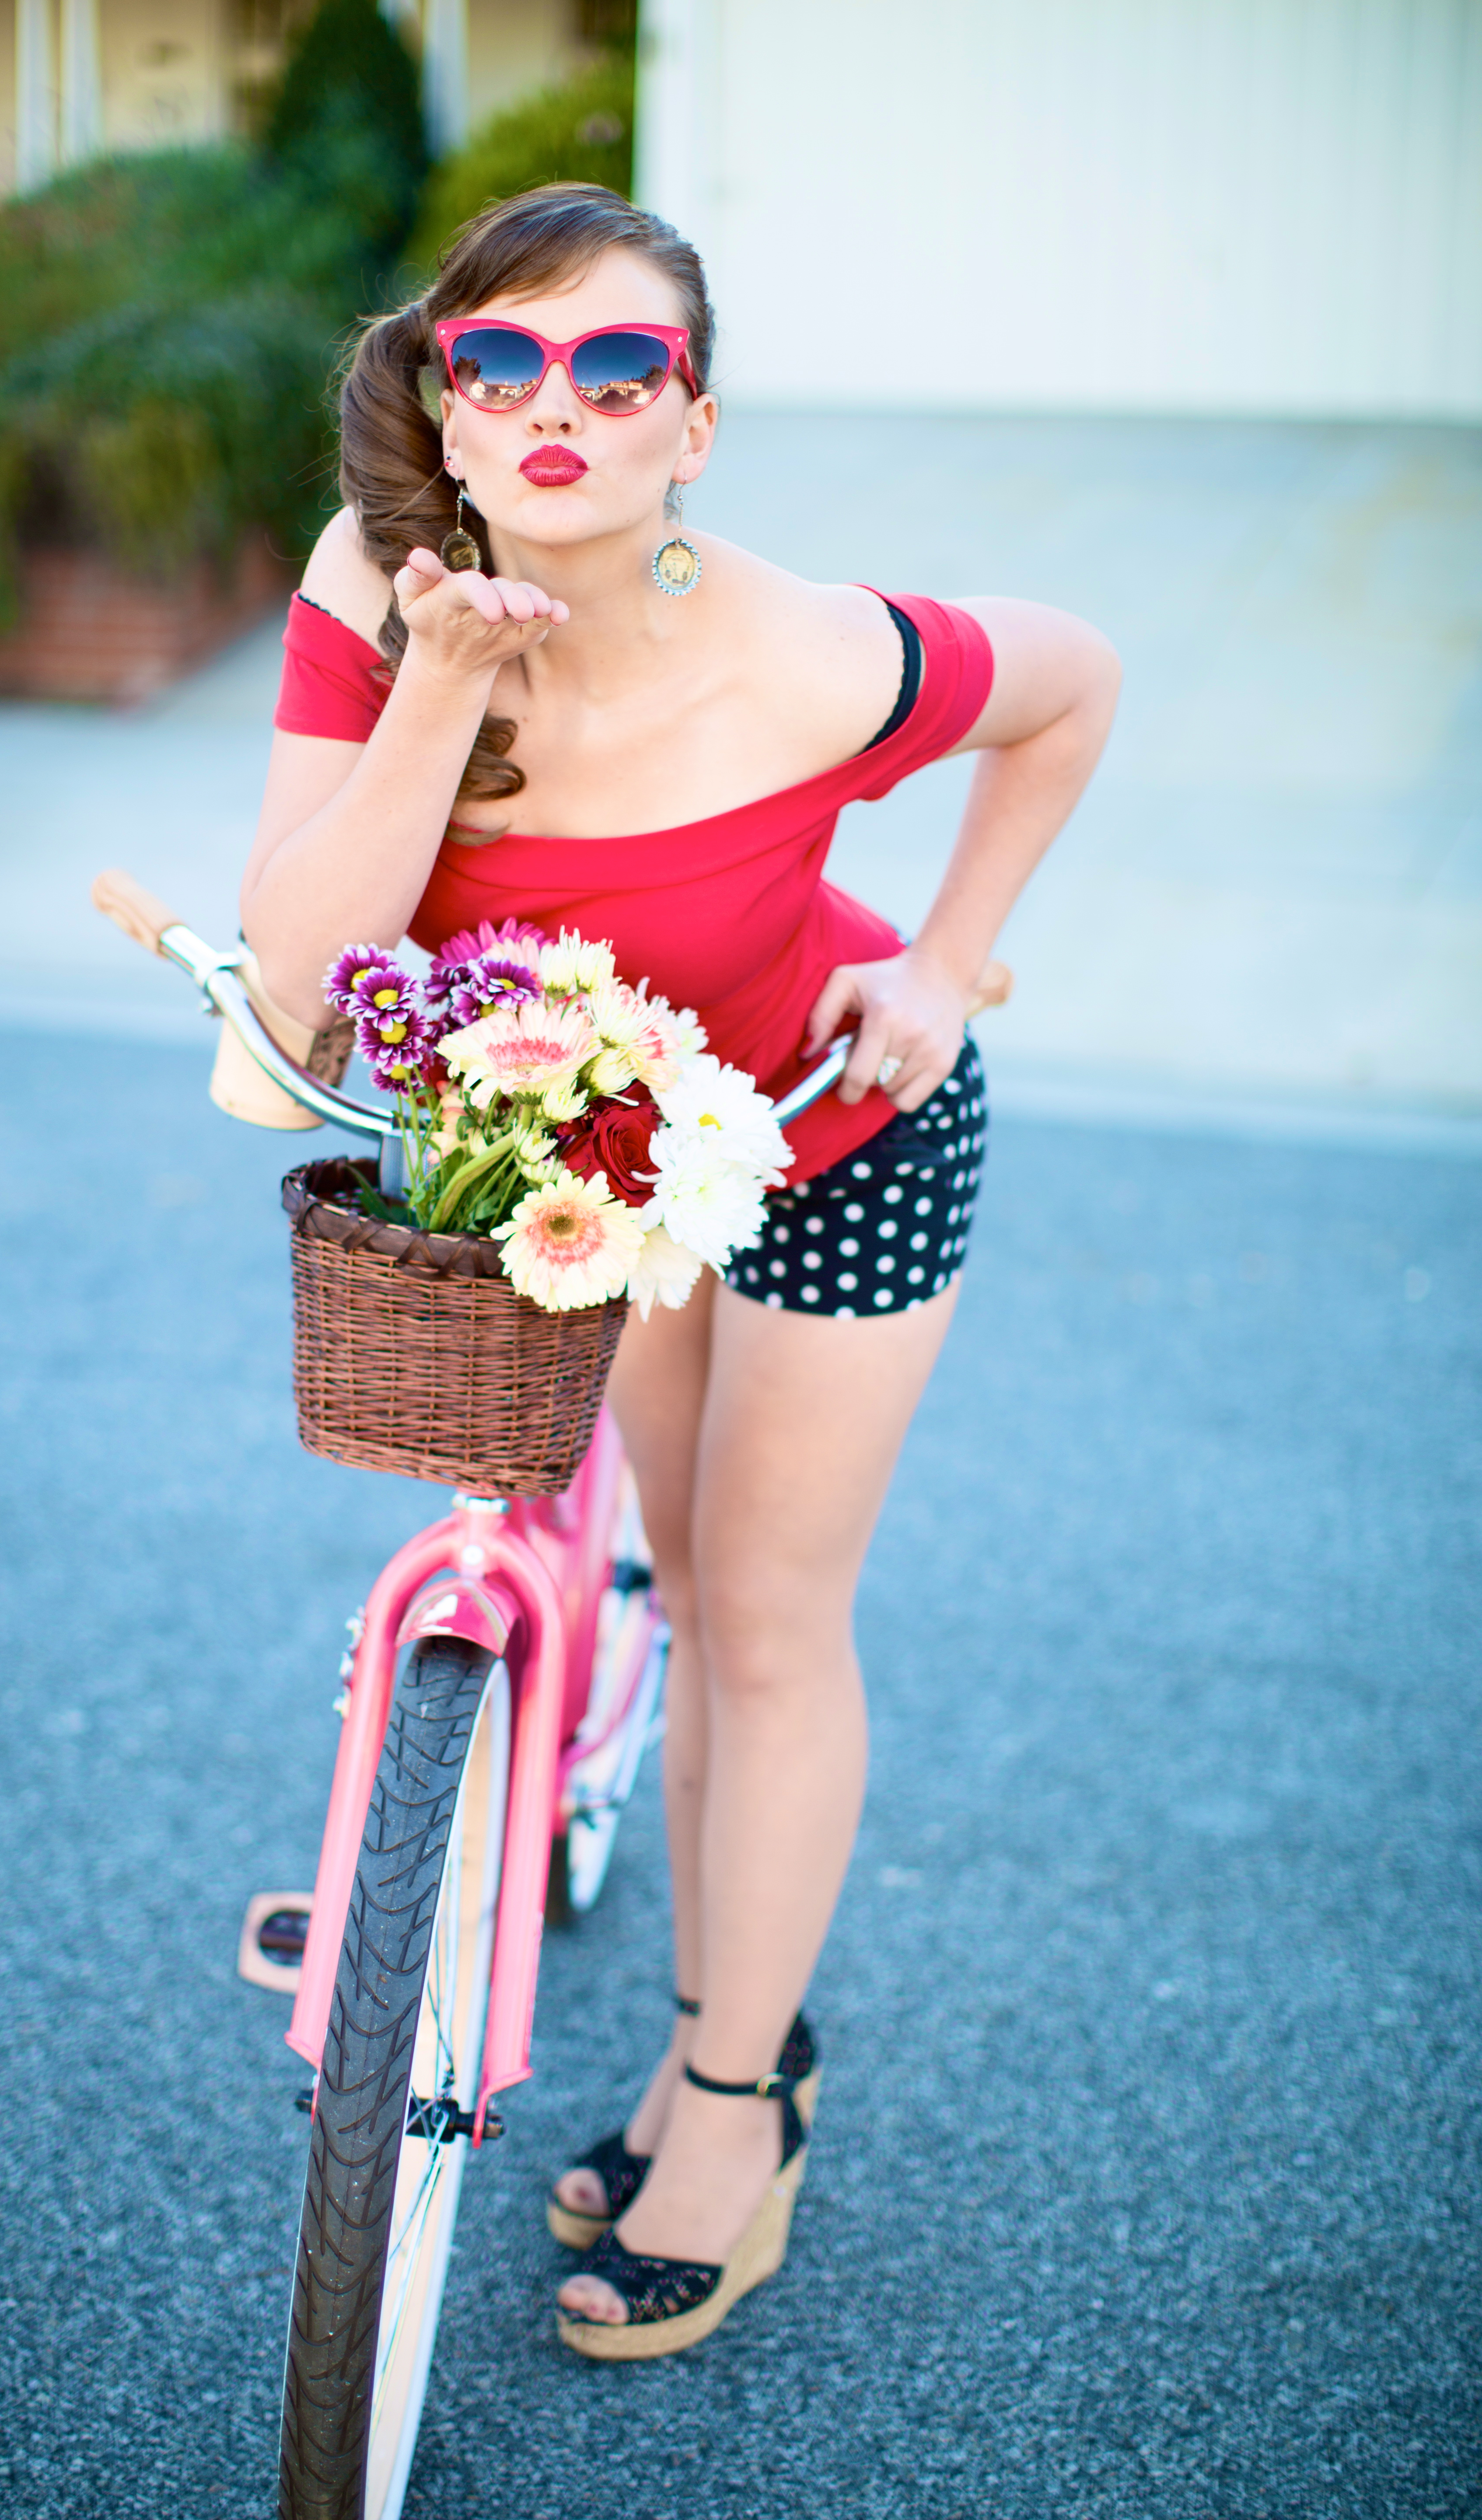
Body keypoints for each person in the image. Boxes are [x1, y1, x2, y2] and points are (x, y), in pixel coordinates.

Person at [241, 183, 1119, 2360]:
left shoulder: (808, 651)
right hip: (605, 1177)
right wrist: (441, 687)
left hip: (835, 1135)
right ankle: (694, 2016)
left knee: (766, 1613)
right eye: (502, 362)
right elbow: (302, 982)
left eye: (616, 370)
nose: (558, 407)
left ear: (690, 430)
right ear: (443, 402)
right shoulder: (374, 593)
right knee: (685, 1590)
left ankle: (737, 2099)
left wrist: (938, 961)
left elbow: (1075, 683)